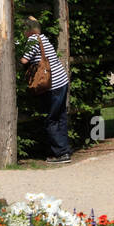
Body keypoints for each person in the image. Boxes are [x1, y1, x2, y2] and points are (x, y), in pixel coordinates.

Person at [20, 16, 72, 164]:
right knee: (60, 117)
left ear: (29, 30)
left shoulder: (32, 40)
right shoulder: (42, 37)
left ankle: (60, 154)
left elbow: (24, 60)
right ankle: (65, 149)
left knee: (51, 119)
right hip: (61, 81)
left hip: (52, 85)